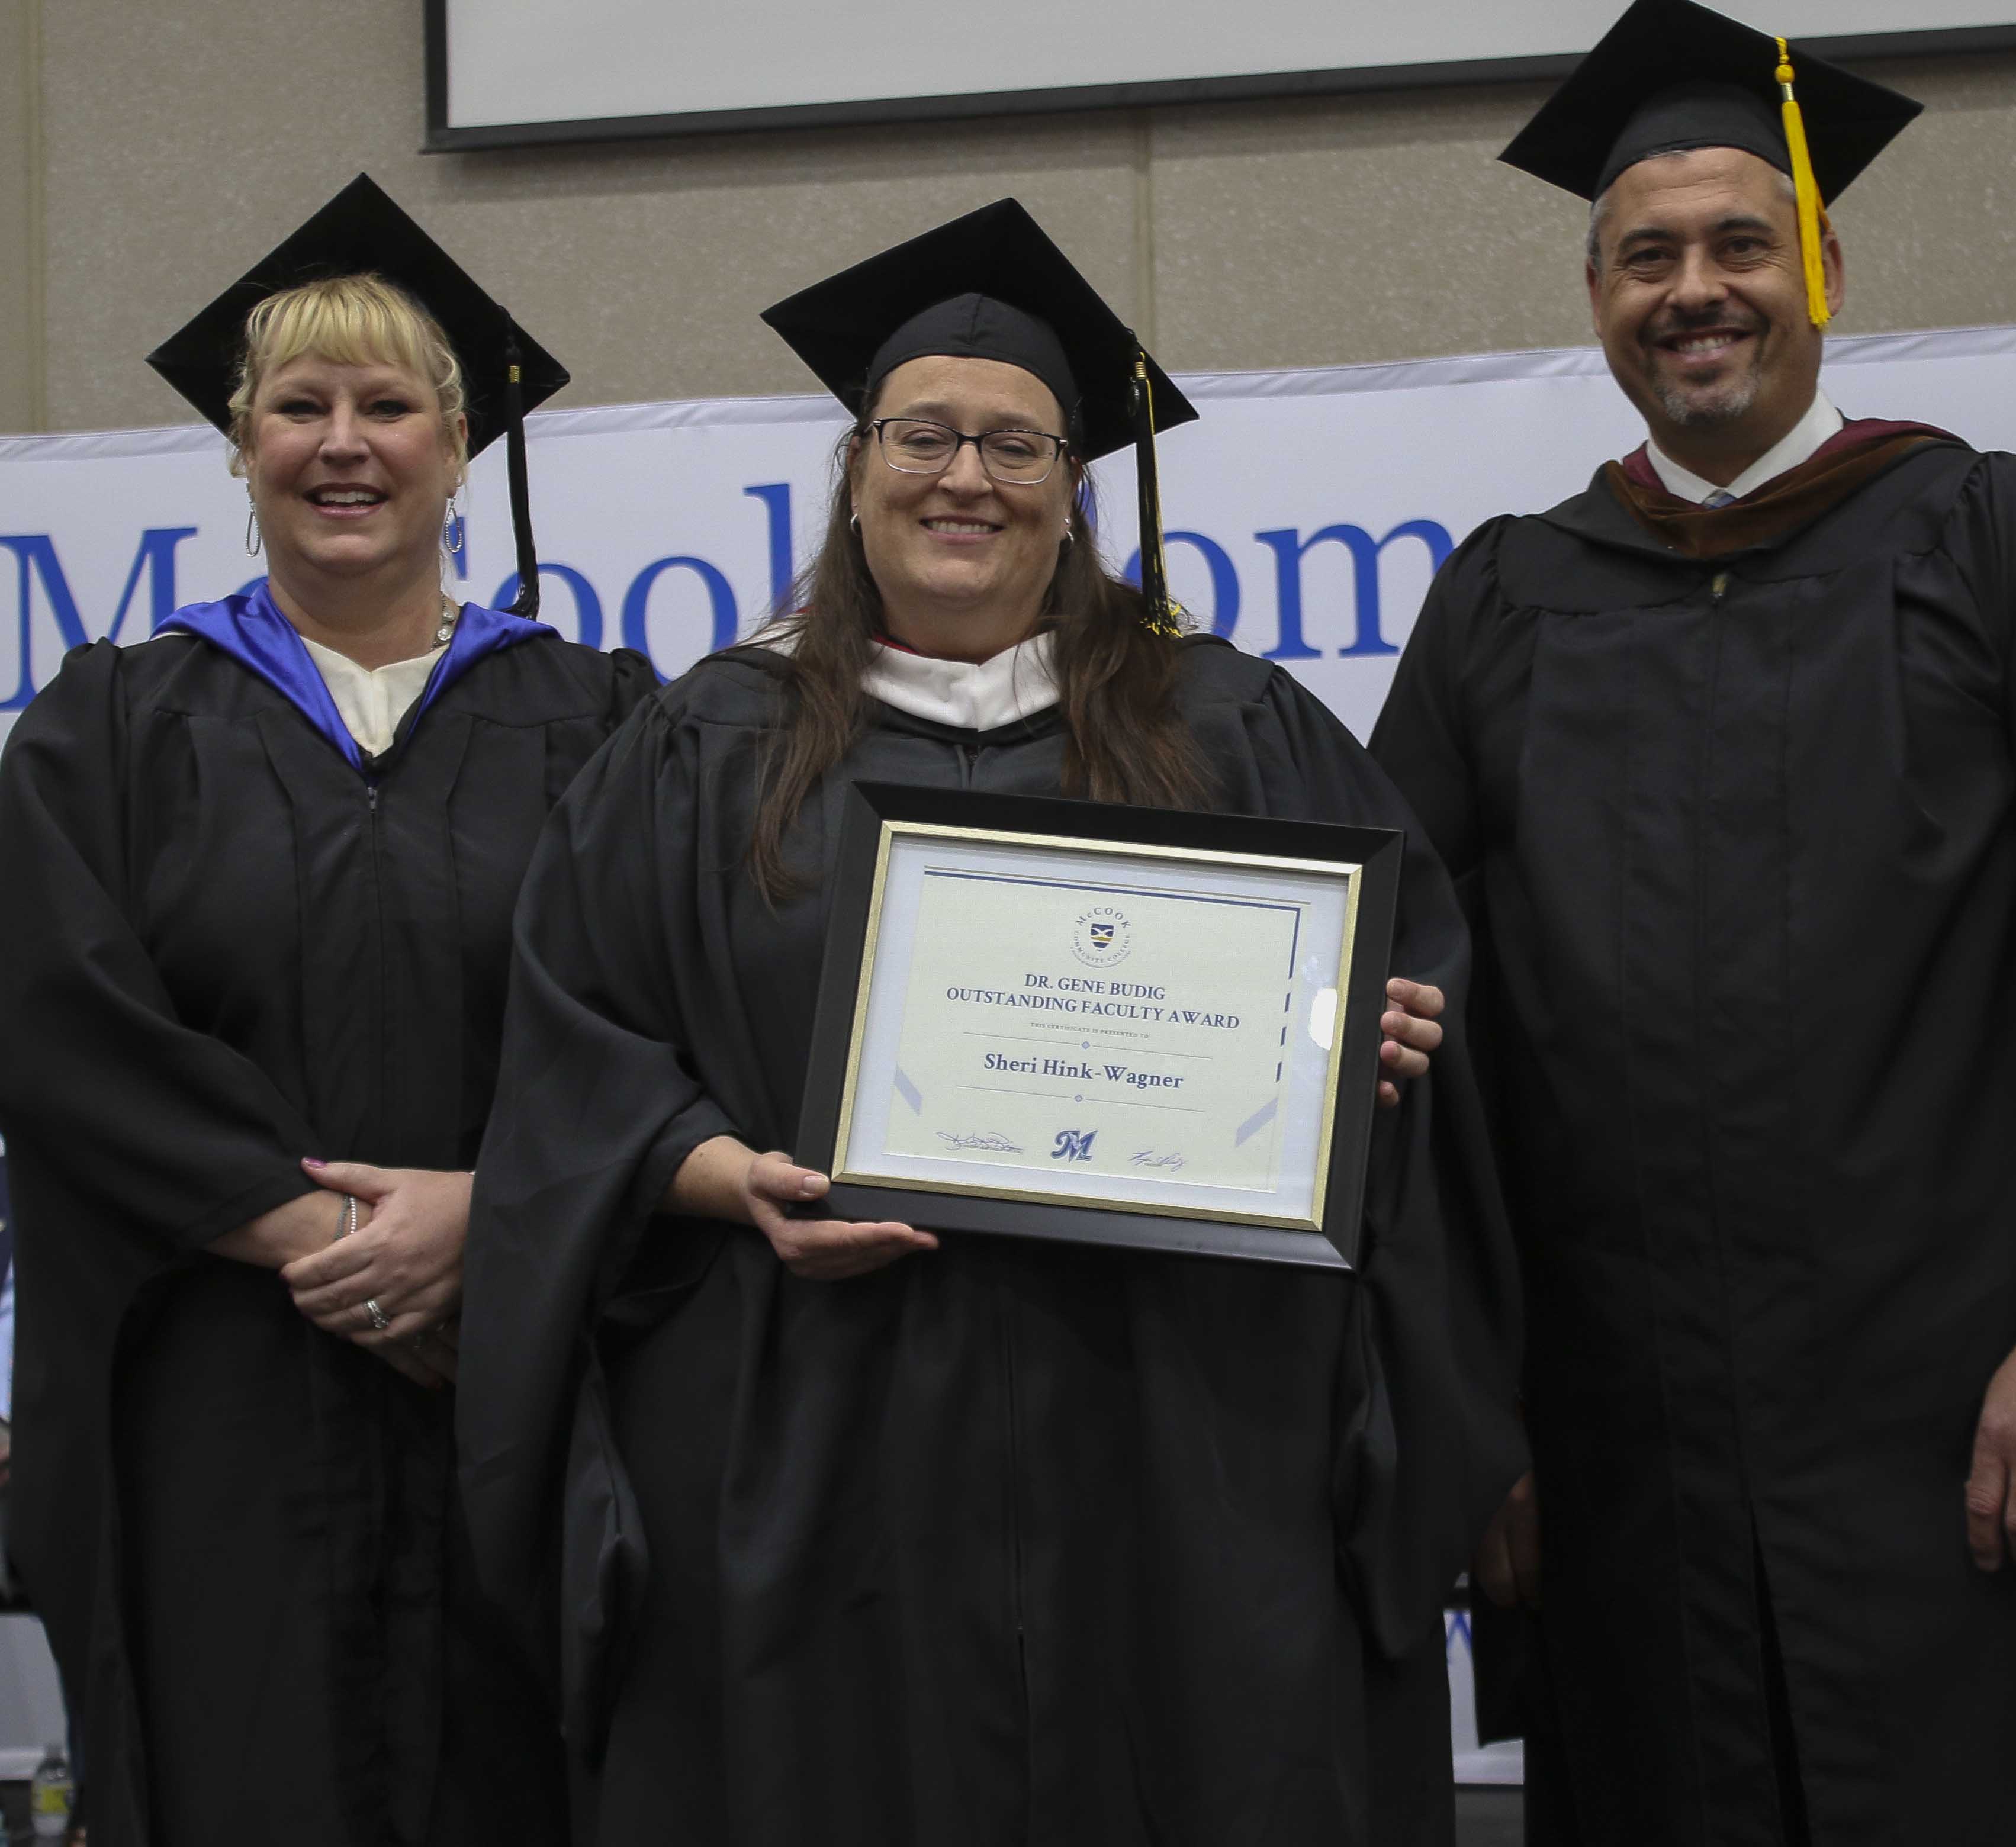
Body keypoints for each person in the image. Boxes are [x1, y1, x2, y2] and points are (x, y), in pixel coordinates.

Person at [455, 198, 1523, 1846]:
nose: (967, 477)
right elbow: (569, 1056)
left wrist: (1373, 1050)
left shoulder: (1234, 729)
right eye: (925, 436)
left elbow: (1407, 1016)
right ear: (858, 466)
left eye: (1016, 443)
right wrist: (723, 1173)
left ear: (1075, 490)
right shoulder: (702, 750)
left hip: (1174, 1441)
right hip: (823, 1445)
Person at [1371, 2, 2016, 1840]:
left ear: (1824, 270)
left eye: (1737, 246)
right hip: (1626, 1460)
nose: (1693, 291)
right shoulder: (1509, 601)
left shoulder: (1985, 538)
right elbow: (1398, 987)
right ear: (1599, 297)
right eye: (1646, 257)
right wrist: (1480, 1417)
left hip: (1982, 1415)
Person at [0, 175, 656, 1845]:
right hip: (217, 1379)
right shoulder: (114, 726)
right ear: (241, 447)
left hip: (509, 1373)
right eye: (300, 406)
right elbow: (55, 1018)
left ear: (463, 442)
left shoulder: (600, 721)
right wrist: (319, 1238)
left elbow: (664, 1011)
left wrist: (493, 1221)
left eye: (390, 405)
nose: (343, 443)